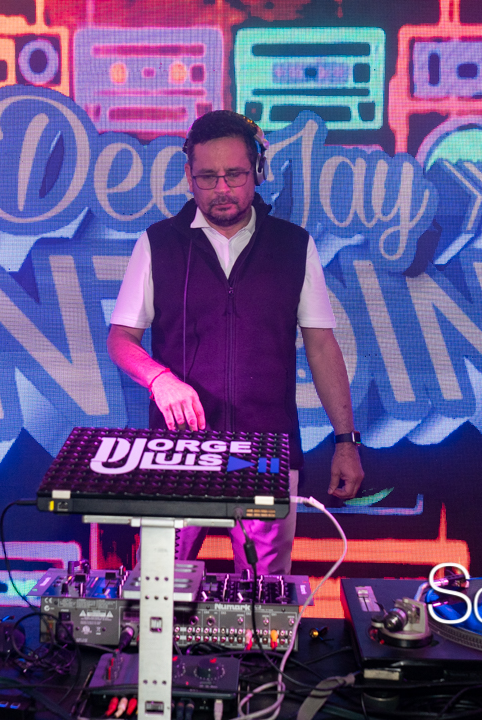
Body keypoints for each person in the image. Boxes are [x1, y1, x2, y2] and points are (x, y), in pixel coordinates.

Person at [107, 110, 363, 575]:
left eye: (235, 175)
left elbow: (322, 347)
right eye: (207, 177)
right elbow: (121, 340)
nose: (221, 188)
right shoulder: (157, 244)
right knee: (159, 587)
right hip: (177, 453)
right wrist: (160, 380)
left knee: (265, 594)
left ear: (258, 171)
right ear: (189, 177)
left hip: (267, 452)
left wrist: (346, 441)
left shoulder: (294, 246)